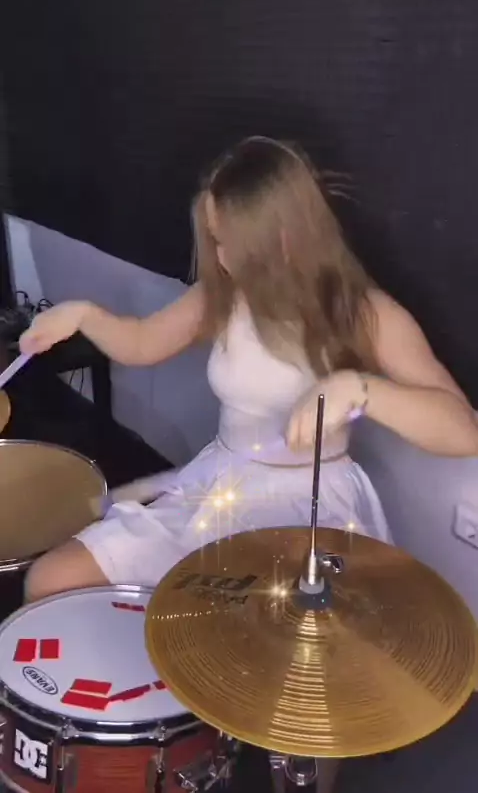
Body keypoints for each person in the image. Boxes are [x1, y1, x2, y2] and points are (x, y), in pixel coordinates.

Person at [20, 136, 478, 602]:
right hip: (219, 490)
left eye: (232, 243)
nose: (221, 259)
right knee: (51, 580)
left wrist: (360, 389)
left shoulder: (364, 313)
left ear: (285, 236)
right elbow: (141, 343)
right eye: (216, 240)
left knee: (247, 635)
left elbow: (464, 431)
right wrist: (82, 315)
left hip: (308, 509)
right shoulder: (224, 294)